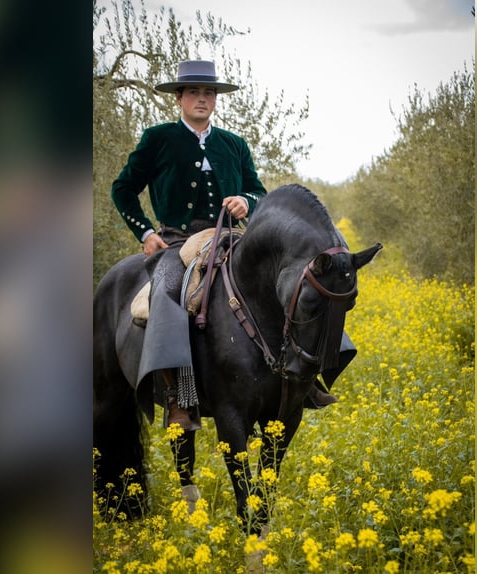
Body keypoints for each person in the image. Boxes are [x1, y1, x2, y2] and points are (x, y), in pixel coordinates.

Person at [110, 60, 335, 430]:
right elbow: (122, 190)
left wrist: (247, 201)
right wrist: (146, 233)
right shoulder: (158, 139)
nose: (203, 99)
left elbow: (259, 192)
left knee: (297, 283)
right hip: (178, 243)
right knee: (166, 292)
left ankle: (309, 381)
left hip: (230, 237)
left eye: (209, 93)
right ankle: (178, 398)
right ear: (179, 97)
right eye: (195, 92)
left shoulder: (234, 144)